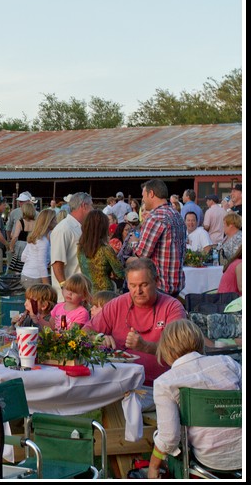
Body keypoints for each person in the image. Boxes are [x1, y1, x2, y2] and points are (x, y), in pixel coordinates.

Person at [147, 319, 241, 479]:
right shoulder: (228, 362)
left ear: (166, 349)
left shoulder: (165, 383)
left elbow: (169, 437)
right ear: (199, 341)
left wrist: (153, 465)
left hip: (211, 460)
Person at [85, 258, 186, 385]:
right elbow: (84, 333)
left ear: (156, 282)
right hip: (118, 382)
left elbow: (178, 350)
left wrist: (144, 346)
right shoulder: (117, 304)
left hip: (160, 384)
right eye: (133, 285)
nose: (138, 291)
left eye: (144, 285)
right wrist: (98, 338)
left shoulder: (172, 307)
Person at [128, 179, 187, 297]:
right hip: (176, 284)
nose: (143, 200)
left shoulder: (156, 217)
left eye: (143, 195)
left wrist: (133, 241)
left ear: (151, 194)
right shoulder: (176, 215)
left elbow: (142, 254)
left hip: (160, 286)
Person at [50, 192, 92, 302]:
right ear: (84, 206)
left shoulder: (78, 227)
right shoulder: (64, 229)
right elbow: (57, 262)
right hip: (68, 296)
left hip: (79, 292)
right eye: (91, 205)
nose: (92, 209)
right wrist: (65, 288)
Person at [78, 209, 125, 292]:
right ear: (103, 228)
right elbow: (120, 273)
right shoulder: (105, 249)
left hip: (88, 291)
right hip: (105, 293)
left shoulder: (80, 248)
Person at [20, 208, 56, 289]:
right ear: (48, 222)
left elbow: (23, 257)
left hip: (26, 274)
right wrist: (46, 284)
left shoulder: (34, 237)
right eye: (54, 220)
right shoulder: (43, 241)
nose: (56, 222)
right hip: (35, 278)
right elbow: (41, 265)